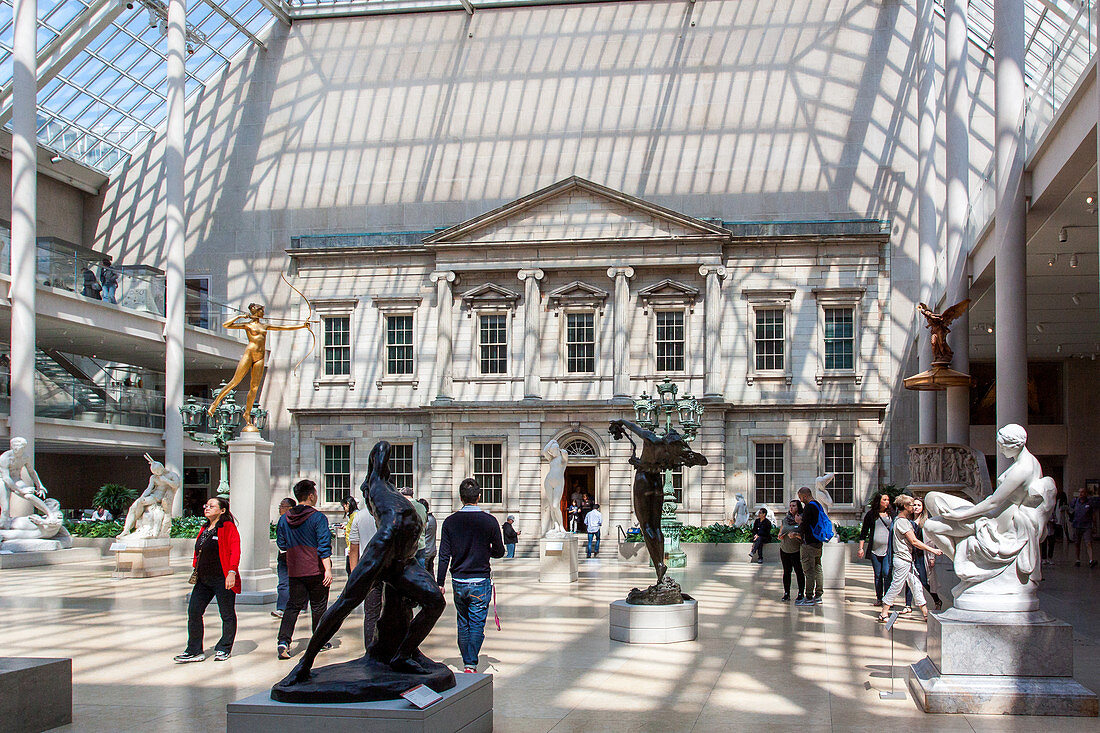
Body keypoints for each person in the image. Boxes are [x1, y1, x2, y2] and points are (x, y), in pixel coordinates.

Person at [436, 477, 505, 673]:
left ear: (460, 497)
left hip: (458, 580)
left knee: (463, 621)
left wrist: (439, 582)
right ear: (479, 497)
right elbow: (500, 551)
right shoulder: (490, 521)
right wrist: (484, 551)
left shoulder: (450, 522)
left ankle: (467, 659)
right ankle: (470, 663)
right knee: (476, 623)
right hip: (480, 580)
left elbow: (444, 555)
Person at [174, 497, 240, 663]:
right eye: (206, 505)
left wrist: (232, 572)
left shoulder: (227, 527)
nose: (207, 508)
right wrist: (196, 564)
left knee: (226, 614)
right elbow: (199, 550)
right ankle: (194, 650)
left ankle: (224, 648)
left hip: (222, 578)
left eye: (212, 506)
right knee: (194, 611)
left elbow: (235, 550)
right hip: (204, 579)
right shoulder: (204, 527)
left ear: (222, 510)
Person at [276, 479, 333, 660]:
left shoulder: (284, 519)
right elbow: (324, 545)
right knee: (318, 606)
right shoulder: (318, 518)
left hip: (295, 570)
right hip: (315, 569)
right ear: (311, 496)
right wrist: (328, 570)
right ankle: (319, 640)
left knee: (292, 606)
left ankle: (283, 641)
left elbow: (281, 543)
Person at [879, 494, 943, 623]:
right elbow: (914, 541)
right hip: (902, 560)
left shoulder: (902, 521)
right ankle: (884, 613)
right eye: (911, 505)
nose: (914, 507)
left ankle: (925, 614)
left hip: (907, 560)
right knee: (896, 586)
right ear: (905, 506)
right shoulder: (902, 522)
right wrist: (933, 550)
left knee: (916, 585)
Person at [348, 490, 382, 650]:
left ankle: (370, 649)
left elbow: (353, 547)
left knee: (371, 613)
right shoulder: (388, 514)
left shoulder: (359, 517)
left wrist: (354, 573)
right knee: (392, 611)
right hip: (388, 569)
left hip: (368, 570)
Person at [857, 491, 894, 606]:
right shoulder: (871, 514)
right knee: (878, 574)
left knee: (886, 573)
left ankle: (887, 598)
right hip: (874, 549)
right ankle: (879, 598)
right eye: (884, 500)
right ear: (879, 501)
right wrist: (861, 548)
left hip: (888, 550)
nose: (887, 502)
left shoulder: (892, 514)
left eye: (888, 500)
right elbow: (864, 533)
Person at [793, 486, 828, 606]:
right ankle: (818, 595)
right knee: (818, 568)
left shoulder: (809, 507)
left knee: (808, 570)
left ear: (805, 496)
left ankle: (808, 597)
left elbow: (805, 525)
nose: (801, 500)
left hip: (808, 543)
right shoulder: (818, 505)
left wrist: (797, 531)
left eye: (801, 498)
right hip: (818, 542)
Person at [909, 496, 942, 611]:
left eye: (919, 505)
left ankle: (936, 599)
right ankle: (908, 605)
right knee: (910, 580)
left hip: (922, 555)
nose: (916, 507)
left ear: (923, 508)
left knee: (924, 580)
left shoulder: (926, 523)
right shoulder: (909, 522)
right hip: (910, 554)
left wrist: (932, 557)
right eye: (914, 505)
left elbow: (931, 541)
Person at [272, 497, 296, 619]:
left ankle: (282, 608)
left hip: (286, 554)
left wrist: (284, 549)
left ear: (289, 508)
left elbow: (280, 538)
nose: (280, 509)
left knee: (284, 582)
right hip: (297, 554)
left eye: (282, 506)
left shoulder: (283, 519)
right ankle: (299, 606)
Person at [778, 499, 805, 602]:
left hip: (796, 551)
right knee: (786, 572)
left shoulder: (801, 520)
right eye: (790, 506)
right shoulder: (785, 520)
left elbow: (804, 536)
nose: (791, 507)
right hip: (784, 549)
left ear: (798, 507)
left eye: (794, 506)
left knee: (799, 572)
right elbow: (780, 532)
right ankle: (786, 593)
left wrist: (796, 535)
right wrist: (780, 536)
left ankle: (801, 593)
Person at [1070, 487, 1096, 568]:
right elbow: (1070, 509)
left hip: (1087, 526)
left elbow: (1093, 515)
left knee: (1088, 543)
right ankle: (1077, 559)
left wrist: (1095, 525)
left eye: (1082, 492)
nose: (1081, 494)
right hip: (1077, 525)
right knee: (1077, 543)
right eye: (1080, 492)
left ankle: (1091, 560)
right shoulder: (1075, 501)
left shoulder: (1089, 503)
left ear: (1086, 494)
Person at [418, 499, 438, 576]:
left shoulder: (426, 520)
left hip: (426, 551)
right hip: (432, 550)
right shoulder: (432, 518)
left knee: (425, 575)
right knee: (430, 573)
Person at [341, 495, 359, 575]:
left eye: (344, 506)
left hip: (353, 549)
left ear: (348, 504)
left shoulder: (356, 516)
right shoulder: (352, 516)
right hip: (350, 548)